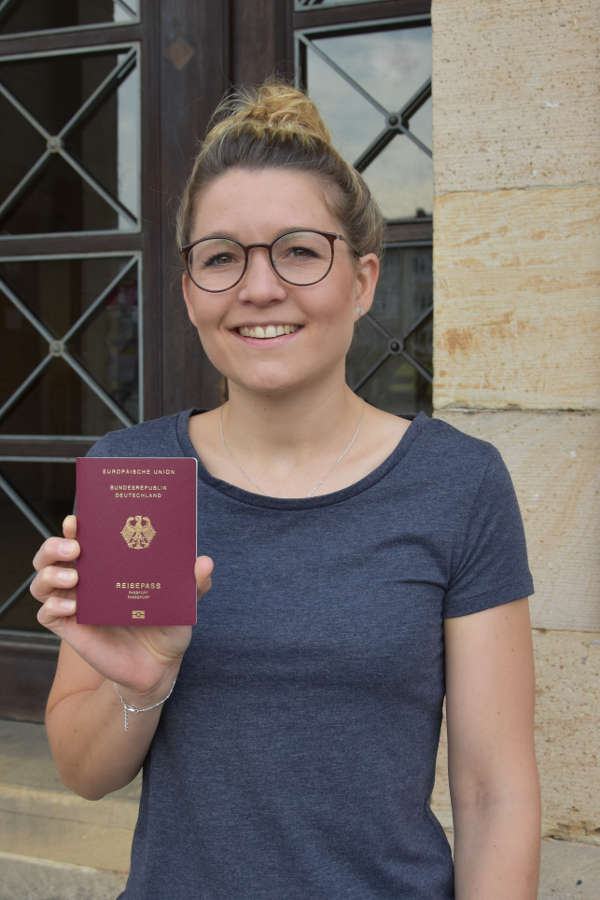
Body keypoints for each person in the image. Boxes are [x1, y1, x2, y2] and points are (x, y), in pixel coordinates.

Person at [31, 80, 540, 899]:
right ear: (190, 289)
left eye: (300, 250)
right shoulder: (135, 478)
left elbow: (495, 794)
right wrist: (144, 681)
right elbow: (84, 772)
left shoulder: (458, 483)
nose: (259, 288)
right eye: (222, 257)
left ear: (364, 280)